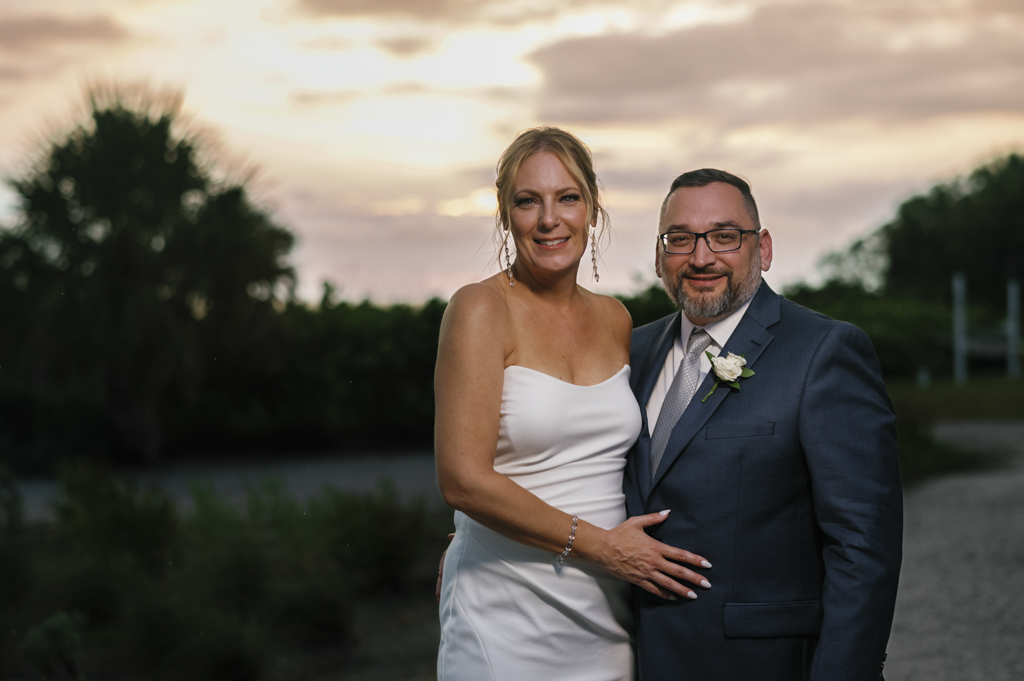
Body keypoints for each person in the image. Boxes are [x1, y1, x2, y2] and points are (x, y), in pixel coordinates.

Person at [434, 128, 712, 681]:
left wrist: (618, 558)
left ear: (592, 209)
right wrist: (605, 548)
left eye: (567, 198)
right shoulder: (479, 310)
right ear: (505, 215)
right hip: (505, 609)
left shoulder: (616, 319)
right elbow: (462, 479)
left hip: (606, 614)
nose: (548, 219)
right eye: (527, 200)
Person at [625, 169, 903, 680]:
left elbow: (863, 547)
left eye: (725, 236)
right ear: (661, 255)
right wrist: (477, 535)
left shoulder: (824, 352)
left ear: (764, 248)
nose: (701, 257)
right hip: (631, 657)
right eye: (680, 239)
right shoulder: (630, 351)